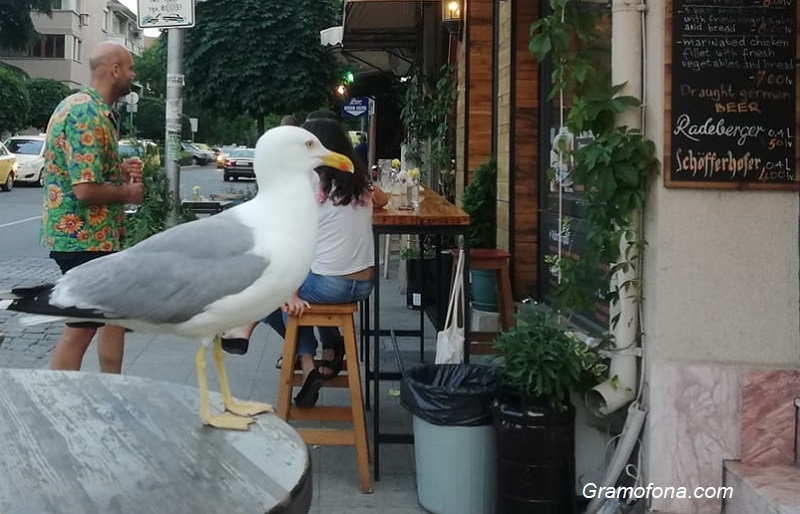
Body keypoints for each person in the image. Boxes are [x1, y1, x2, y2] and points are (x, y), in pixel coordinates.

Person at [222, 113, 387, 407]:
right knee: (285, 299)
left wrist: (290, 292)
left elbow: (287, 241)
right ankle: (318, 354)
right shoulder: (358, 181)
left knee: (276, 298)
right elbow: (384, 200)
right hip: (364, 284)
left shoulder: (310, 184)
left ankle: (294, 354)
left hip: (329, 285)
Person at [40, 41, 144, 374]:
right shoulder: (87, 113)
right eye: (130, 68)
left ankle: (111, 389)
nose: (133, 75)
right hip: (83, 239)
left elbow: (89, 175)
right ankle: (52, 399)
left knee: (113, 314)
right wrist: (126, 194)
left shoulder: (92, 109)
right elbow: (85, 190)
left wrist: (120, 172)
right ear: (115, 70)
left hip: (93, 238)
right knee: (82, 325)